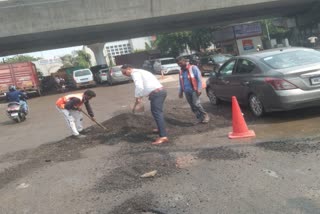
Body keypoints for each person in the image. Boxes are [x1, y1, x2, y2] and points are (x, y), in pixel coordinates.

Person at [121, 64, 169, 145]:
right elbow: (145, 85)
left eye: (125, 72)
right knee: (157, 112)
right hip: (159, 92)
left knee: (157, 113)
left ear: (129, 69)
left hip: (157, 93)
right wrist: (141, 96)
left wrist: (138, 97)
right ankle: (161, 129)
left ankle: (163, 136)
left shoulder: (135, 73)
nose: (124, 75)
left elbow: (139, 86)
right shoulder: (140, 71)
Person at [176, 56, 210, 124]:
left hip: (194, 89)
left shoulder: (193, 68)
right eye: (178, 64)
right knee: (192, 106)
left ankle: (205, 115)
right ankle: (199, 118)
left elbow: (199, 79)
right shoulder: (181, 71)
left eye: (181, 63)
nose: (180, 65)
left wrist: (199, 89)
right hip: (186, 91)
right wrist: (180, 91)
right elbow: (181, 82)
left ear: (185, 61)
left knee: (196, 104)